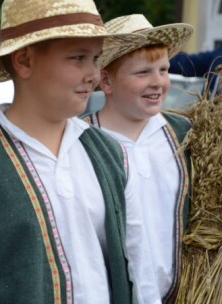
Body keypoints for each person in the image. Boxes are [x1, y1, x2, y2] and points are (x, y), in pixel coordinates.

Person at [0, 0, 155, 303]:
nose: (93, 74)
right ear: (24, 61)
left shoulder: (111, 155)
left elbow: (141, 272)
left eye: (96, 58)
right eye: (77, 58)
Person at [84, 14, 193, 302]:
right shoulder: (82, 141)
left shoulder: (183, 135)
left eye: (164, 70)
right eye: (143, 73)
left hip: (179, 292)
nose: (158, 82)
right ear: (106, 80)